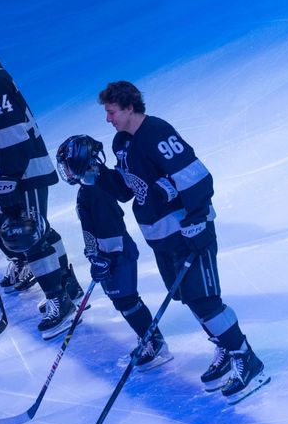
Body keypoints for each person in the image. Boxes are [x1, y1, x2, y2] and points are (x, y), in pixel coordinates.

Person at [95, 81, 268, 403]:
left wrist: (198, 219)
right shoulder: (122, 142)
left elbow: (197, 177)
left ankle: (246, 358)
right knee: (190, 298)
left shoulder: (158, 133)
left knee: (205, 300)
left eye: (111, 111)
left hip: (188, 232)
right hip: (161, 238)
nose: (108, 119)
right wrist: (97, 174)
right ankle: (225, 346)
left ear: (129, 107)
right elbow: (127, 190)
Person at [0, 28, 82, 337]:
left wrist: (7, 178)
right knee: (40, 229)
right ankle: (67, 286)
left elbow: (12, 133)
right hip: (12, 175)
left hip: (24, 173)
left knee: (29, 235)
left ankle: (58, 301)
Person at [56, 134, 171, 371]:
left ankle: (154, 343)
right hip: (111, 256)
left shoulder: (94, 192)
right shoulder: (90, 187)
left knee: (127, 301)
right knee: (123, 300)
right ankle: (148, 338)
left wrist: (103, 259)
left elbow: (109, 228)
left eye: (67, 165)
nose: (65, 171)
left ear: (79, 162)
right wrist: (95, 255)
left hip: (116, 255)